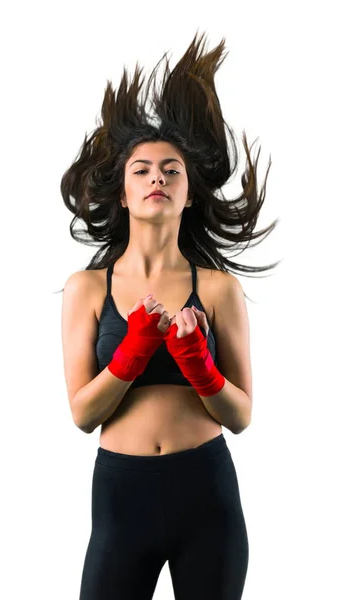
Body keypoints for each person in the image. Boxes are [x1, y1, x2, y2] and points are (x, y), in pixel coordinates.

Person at [59, 31, 280, 600]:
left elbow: (242, 416)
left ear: (188, 194)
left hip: (206, 494)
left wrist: (197, 363)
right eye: (142, 170)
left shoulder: (218, 290)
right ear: (124, 194)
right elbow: (83, 414)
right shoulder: (87, 288)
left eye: (171, 170)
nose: (157, 177)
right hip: (120, 498)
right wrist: (133, 352)